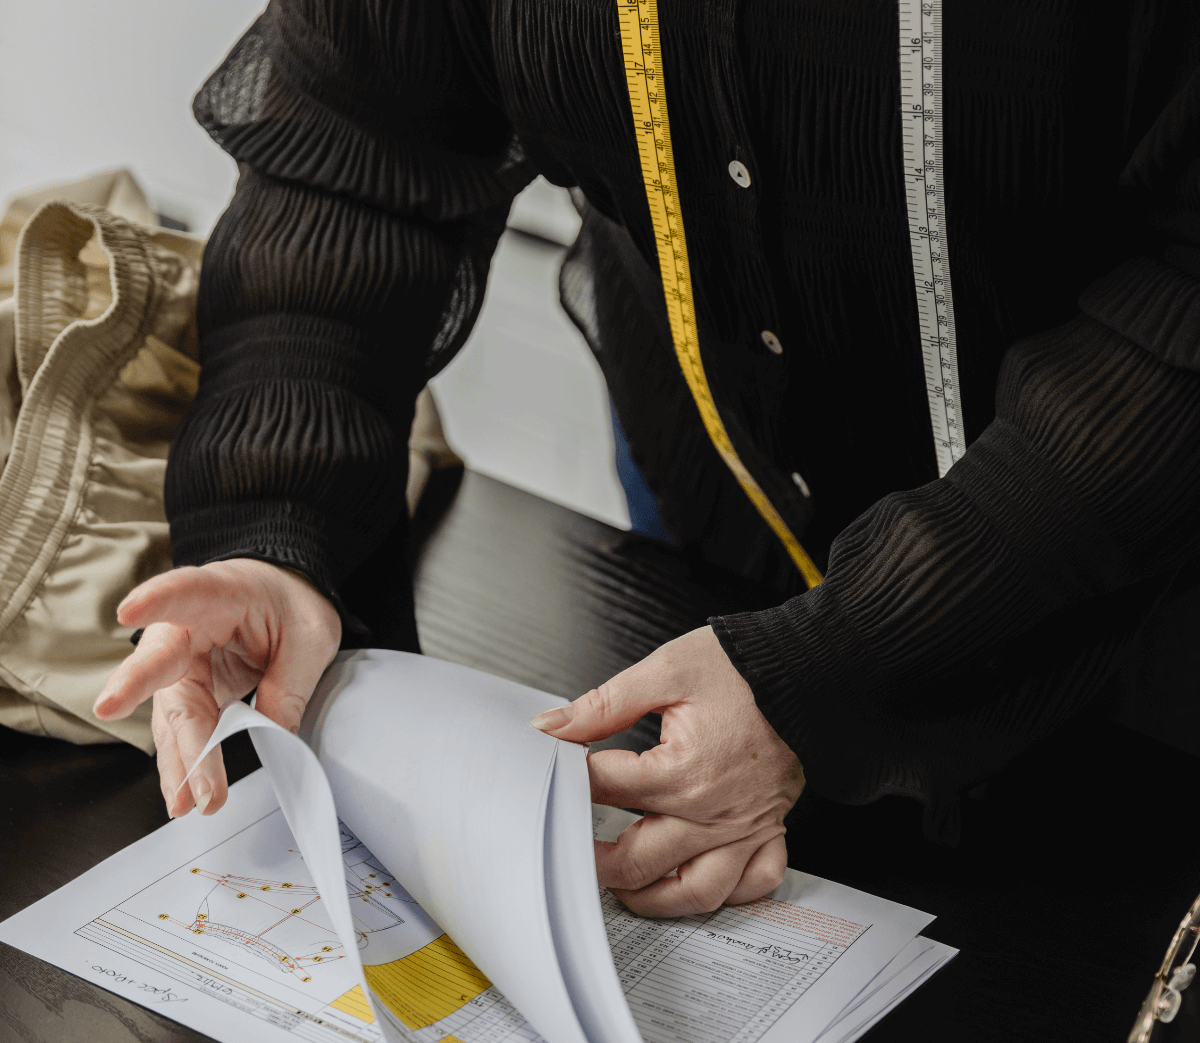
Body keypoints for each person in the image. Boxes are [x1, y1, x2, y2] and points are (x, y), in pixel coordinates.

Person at [95, 1, 1200, 917]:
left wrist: (854, 660)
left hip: (1140, 586)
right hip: (725, 509)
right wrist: (276, 516)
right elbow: (356, 142)